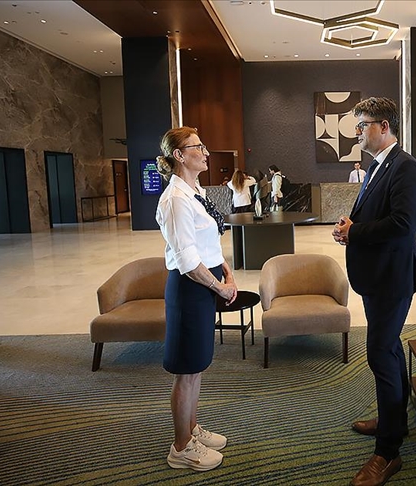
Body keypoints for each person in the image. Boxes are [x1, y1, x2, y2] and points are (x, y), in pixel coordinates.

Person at [332, 97, 416, 486]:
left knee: (380, 354)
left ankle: (388, 452)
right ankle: (394, 421)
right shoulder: (377, 166)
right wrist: (349, 226)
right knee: (388, 350)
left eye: (362, 125)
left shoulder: (406, 166)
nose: (357, 133)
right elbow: (376, 214)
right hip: (376, 277)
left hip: (391, 279)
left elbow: (403, 225)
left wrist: (356, 232)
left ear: (383, 126)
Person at [155, 126, 238, 472]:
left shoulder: (195, 191)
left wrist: (227, 272)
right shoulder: (175, 199)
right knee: (186, 370)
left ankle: (191, 429)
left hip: (204, 287)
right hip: (189, 289)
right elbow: (188, 261)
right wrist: (220, 287)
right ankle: (181, 447)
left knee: (197, 365)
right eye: (198, 147)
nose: (205, 153)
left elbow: (208, 245)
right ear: (179, 155)